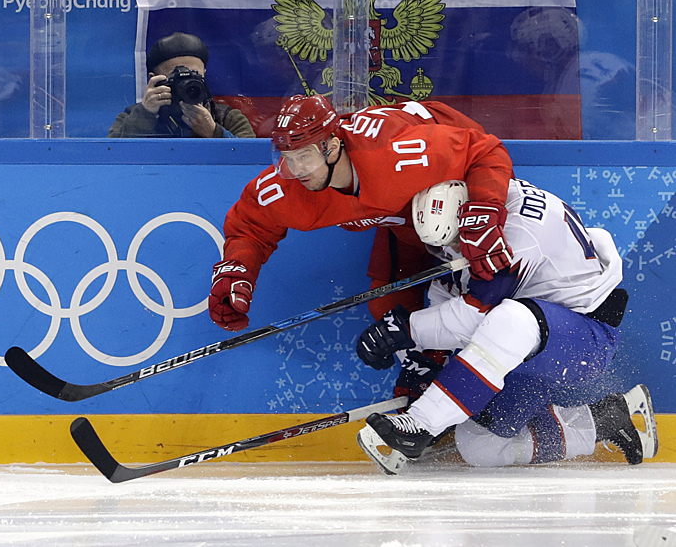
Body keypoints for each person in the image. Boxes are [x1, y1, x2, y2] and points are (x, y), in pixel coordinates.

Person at [354, 179, 658, 473]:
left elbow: (473, 315)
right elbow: (446, 299)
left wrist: (405, 331)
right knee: (480, 447)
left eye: (456, 241)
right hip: (527, 348)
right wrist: (419, 366)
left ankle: (422, 423)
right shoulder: (480, 214)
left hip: (584, 342)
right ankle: (607, 419)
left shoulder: (519, 236)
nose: (453, 251)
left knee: (511, 318)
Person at [208, 94, 515, 332]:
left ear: (333, 147)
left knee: (482, 282)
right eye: (287, 157)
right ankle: (421, 372)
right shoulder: (290, 185)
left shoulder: (396, 156)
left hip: (451, 178)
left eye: (304, 156)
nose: (295, 169)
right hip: (399, 214)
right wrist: (237, 270)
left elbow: (484, 150)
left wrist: (482, 213)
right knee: (388, 306)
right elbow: (250, 226)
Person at [108, 32, 256, 139]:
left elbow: (253, 161)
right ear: (154, 79)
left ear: (204, 74)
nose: (186, 82)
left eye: (194, 74)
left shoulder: (227, 118)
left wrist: (214, 132)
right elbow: (113, 155)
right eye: (176, 75)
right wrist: (145, 115)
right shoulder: (132, 116)